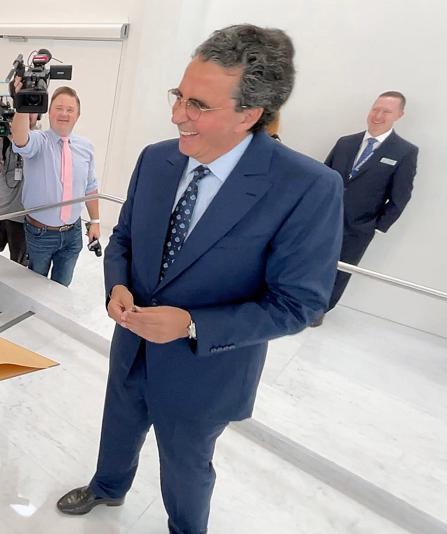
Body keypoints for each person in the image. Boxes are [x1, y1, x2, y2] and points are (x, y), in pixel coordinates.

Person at [56, 25, 343, 534]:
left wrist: (192, 325)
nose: (175, 116)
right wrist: (117, 286)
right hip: (132, 347)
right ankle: (108, 487)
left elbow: (298, 304)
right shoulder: (156, 158)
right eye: (178, 96)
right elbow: (123, 239)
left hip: (203, 372)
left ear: (249, 114)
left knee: (186, 468)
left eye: (197, 105)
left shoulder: (307, 188)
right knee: (117, 427)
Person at [317, 91, 418, 325]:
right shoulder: (346, 142)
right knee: (310, 260)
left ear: (399, 115)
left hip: (359, 227)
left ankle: (321, 309)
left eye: (386, 111)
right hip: (324, 218)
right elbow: (323, 177)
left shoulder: (404, 151)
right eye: (376, 108)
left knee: (340, 271)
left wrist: (376, 226)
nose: (378, 115)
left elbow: (401, 195)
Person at [10, 86, 101, 286]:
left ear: (78, 115)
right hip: (40, 234)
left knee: (61, 291)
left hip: (73, 234)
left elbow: (91, 187)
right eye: (59, 108)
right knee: (36, 289)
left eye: (70, 109)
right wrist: (22, 104)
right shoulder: (38, 141)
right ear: (49, 111)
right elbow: (19, 138)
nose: (64, 113)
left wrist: (95, 220)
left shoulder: (85, 147)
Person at [0, 113, 40, 265]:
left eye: (32, 111)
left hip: (23, 214)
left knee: (19, 267)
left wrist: (17, 140)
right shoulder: (3, 135)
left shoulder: (41, 139)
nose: (28, 116)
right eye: (24, 112)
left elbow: (36, 169)